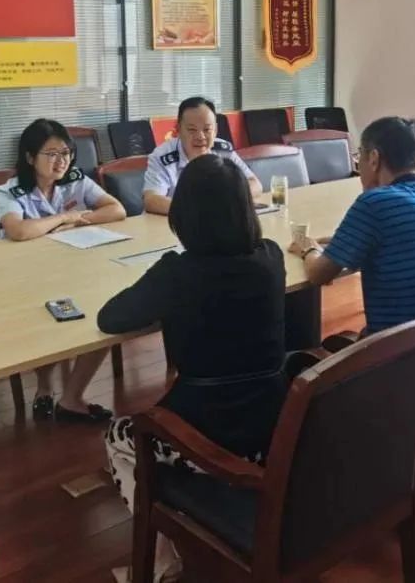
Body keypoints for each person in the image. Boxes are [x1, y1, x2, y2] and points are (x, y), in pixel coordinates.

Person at [102, 155, 286, 582]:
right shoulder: (271, 258)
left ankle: (160, 563)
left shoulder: (177, 273)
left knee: (118, 435)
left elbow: (112, 317)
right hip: (272, 430)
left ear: (184, 215)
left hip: (207, 437)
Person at [290, 116, 415, 335]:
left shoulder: (375, 203)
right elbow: (403, 241)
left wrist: (308, 248)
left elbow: (319, 275)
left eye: (359, 155)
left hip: (397, 351)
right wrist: (341, 240)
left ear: (373, 158)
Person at [0, 118, 127, 422]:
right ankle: (44, 388)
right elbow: (19, 231)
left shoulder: (76, 180)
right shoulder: (9, 191)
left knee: (102, 316)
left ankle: (72, 398)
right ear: (30, 157)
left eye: (66, 153)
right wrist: (65, 218)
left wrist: (78, 220)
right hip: (23, 278)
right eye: (52, 154)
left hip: (72, 268)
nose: (62, 161)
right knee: (47, 320)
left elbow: (116, 210)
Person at [142, 96, 262, 215]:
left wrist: (228, 202)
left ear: (215, 130)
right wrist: (200, 211)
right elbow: (151, 200)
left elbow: (255, 184)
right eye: (192, 130)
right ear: (178, 130)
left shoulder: (223, 150)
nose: (200, 137)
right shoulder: (162, 157)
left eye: (207, 129)